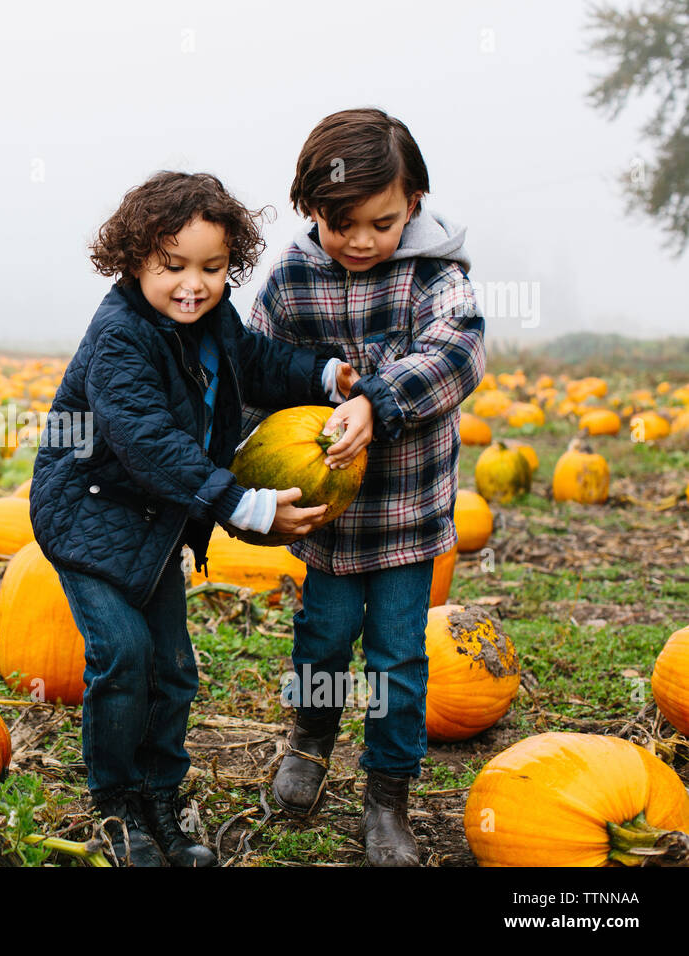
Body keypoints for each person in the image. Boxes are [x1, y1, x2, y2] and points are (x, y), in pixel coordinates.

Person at [28, 171, 373, 866]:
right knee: (122, 656)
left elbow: (259, 363)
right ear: (134, 261)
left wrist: (323, 377)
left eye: (213, 268)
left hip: (153, 526)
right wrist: (237, 502)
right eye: (173, 267)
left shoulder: (212, 322)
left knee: (175, 670)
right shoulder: (120, 339)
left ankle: (162, 799)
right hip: (88, 521)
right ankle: (117, 808)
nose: (195, 284)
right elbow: (148, 442)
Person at [243, 108, 487, 866]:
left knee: (397, 661)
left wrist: (375, 402)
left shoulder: (434, 276)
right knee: (320, 641)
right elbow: (255, 373)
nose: (358, 240)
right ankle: (311, 740)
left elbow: (460, 351)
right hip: (326, 524)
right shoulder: (289, 282)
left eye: (380, 223)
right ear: (311, 209)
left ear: (413, 200)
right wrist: (234, 474)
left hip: (408, 521)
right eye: (338, 222)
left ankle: (388, 796)